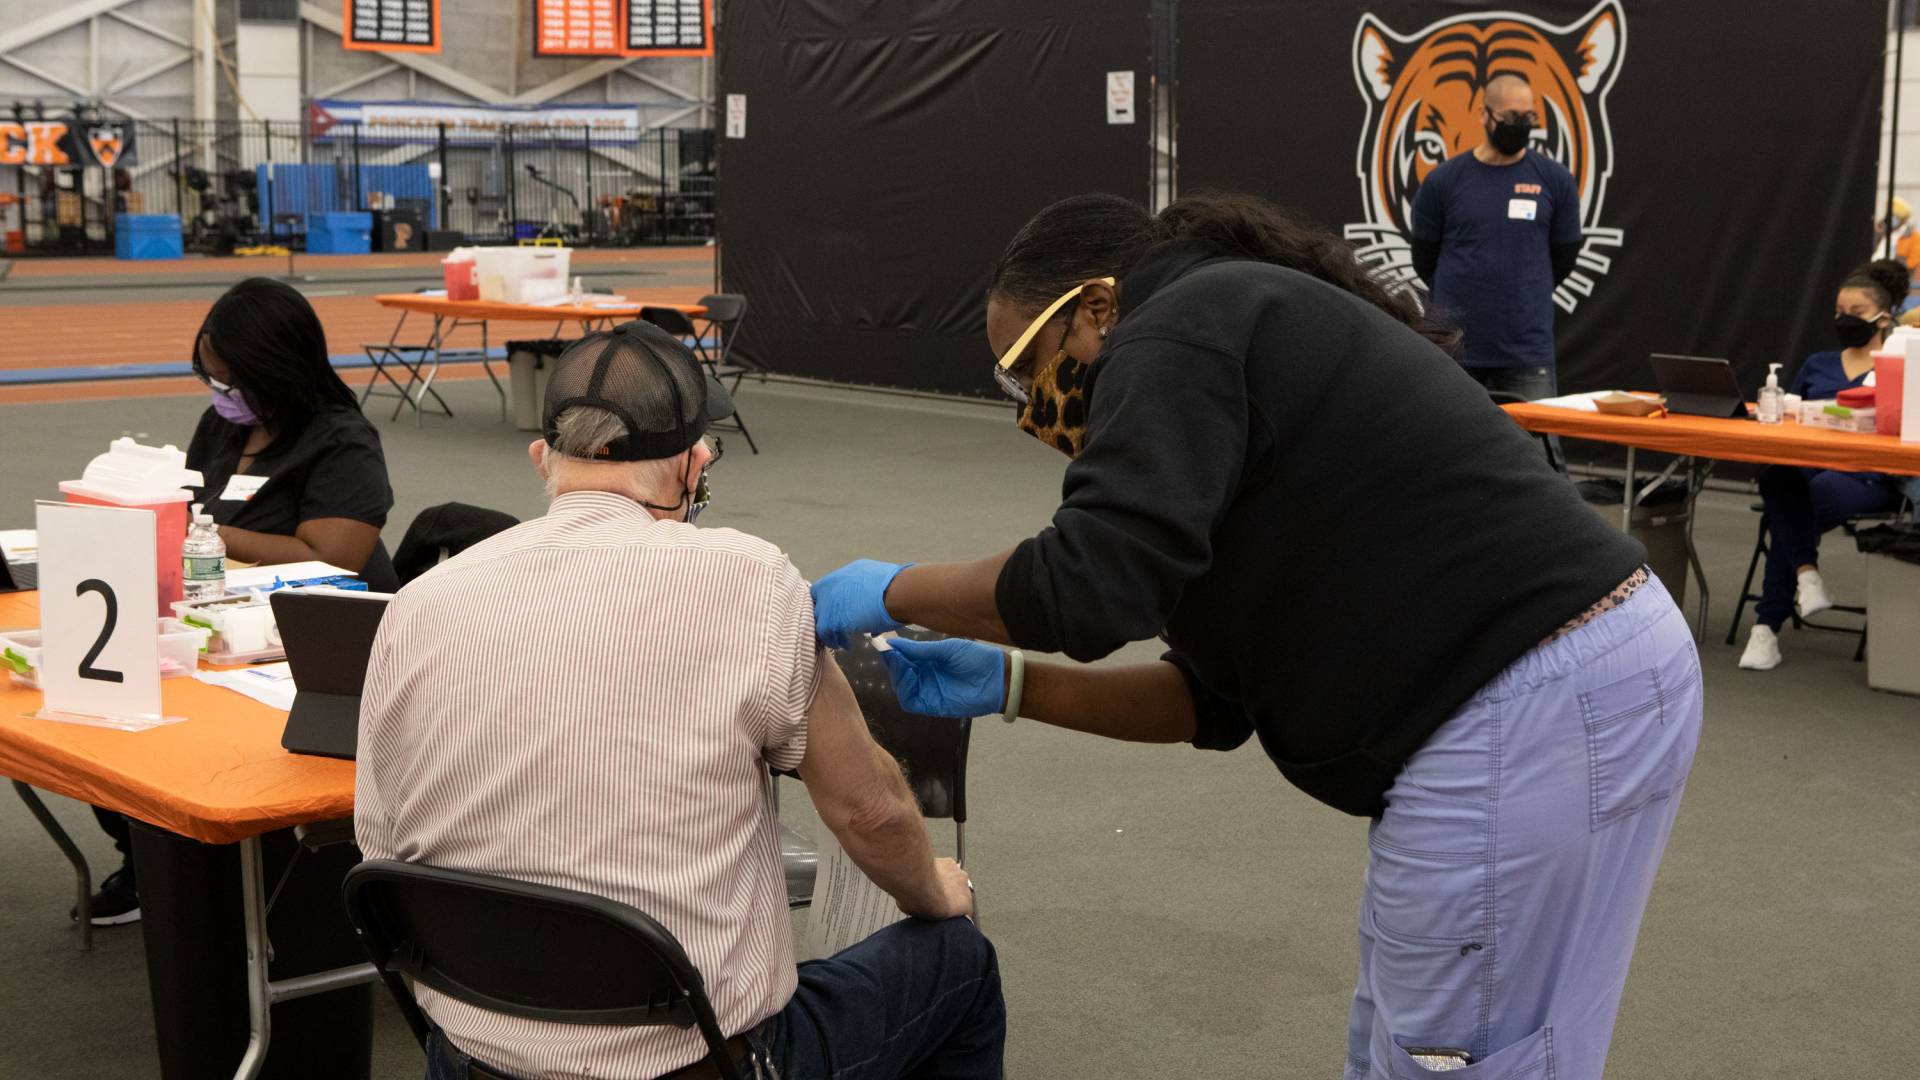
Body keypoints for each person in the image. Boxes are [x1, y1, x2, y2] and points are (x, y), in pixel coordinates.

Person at [810, 192, 1702, 1080]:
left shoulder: (1177, 327)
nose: (1033, 404)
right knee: (1474, 1037)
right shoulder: (1232, 350)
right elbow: (1214, 697)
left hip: (1513, 705)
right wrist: (1014, 685)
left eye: (1028, 366)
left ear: (1095, 304)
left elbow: (1091, 583)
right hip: (1579, 679)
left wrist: (892, 588)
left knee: (1459, 1055)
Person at [356, 323, 1003, 1080]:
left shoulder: (418, 603)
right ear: (696, 464)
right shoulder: (754, 580)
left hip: (471, 1057)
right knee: (959, 963)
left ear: (543, 460)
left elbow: (379, 842)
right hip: (699, 1062)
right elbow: (870, 812)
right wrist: (934, 890)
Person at [78, 277, 400, 928]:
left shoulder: (342, 439)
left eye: (229, 380)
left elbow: (332, 554)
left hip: (315, 643)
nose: (218, 394)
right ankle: (149, 858)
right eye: (210, 379)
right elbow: (189, 501)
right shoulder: (222, 429)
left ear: (276, 370)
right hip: (221, 620)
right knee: (111, 717)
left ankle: (240, 883)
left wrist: (211, 535)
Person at [1739, 259, 1910, 671]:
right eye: (1839, 312)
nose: (1844, 321)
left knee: (1795, 506)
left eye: (1855, 314)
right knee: (1778, 476)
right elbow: (1788, 423)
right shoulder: (1818, 363)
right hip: (1808, 469)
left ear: (1883, 319)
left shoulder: (1899, 367)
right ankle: (1806, 576)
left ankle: (1766, 626)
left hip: (1867, 478)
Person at [1410, 73, 1583, 403]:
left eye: (1528, 117)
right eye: (1510, 117)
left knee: (1534, 451)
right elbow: (1424, 258)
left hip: (1525, 350)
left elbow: (1564, 258)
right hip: (1455, 348)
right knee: (1448, 446)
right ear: (1484, 114)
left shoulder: (1555, 180)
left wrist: (1523, 287)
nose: (1520, 125)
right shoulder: (1444, 181)